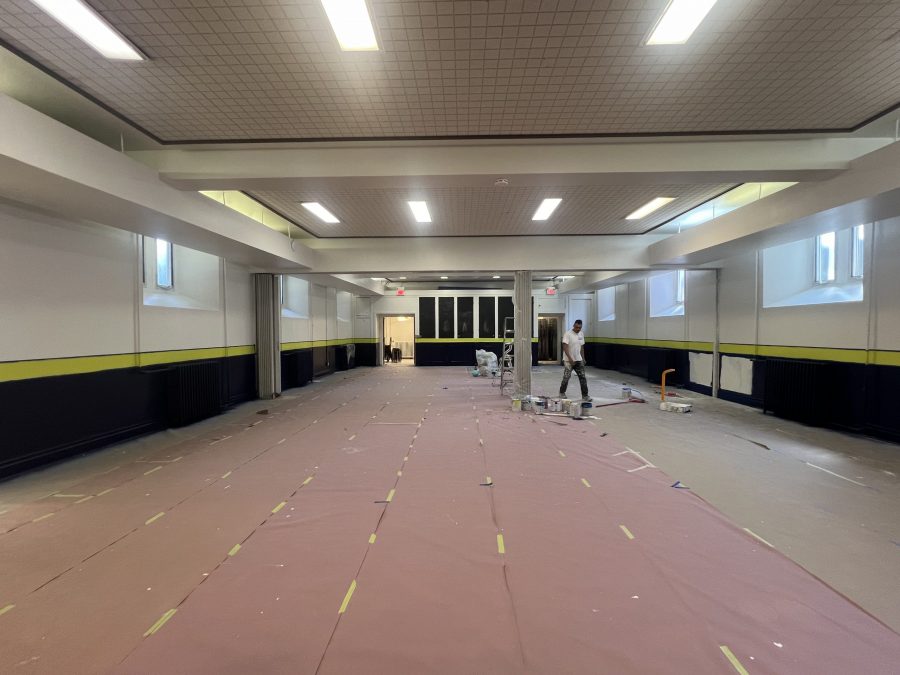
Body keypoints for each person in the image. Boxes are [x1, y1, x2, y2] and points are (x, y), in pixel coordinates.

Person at [560, 319, 589, 401]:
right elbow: (565, 346)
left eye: (579, 328)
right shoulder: (568, 334)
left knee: (582, 377)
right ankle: (562, 392)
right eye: (576, 327)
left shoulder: (581, 334)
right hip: (568, 360)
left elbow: (582, 346)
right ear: (573, 325)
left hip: (578, 359)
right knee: (566, 377)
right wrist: (570, 358)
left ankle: (585, 395)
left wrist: (583, 358)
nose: (578, 329)